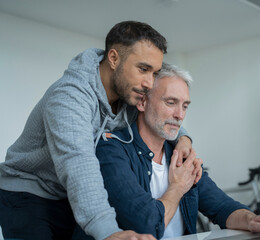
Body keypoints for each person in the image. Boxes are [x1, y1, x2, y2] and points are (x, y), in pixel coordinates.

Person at [0, 21, 202, 240]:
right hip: (28, 193)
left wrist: (183, 139)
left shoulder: (128, 96)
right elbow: (78, 164)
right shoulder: (69, 97)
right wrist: (109, 233)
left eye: (154, 73)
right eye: (143, 69)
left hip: (69, 195)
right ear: (114, 59)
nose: (148, 83)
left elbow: (159, 117)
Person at [73, 62, 260, 240]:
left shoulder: (180, 155)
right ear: (142, 102)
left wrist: (252, 220)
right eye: (171, 103)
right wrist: (177, 188)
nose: (180, 115)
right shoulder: (111, 151)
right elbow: (146, 225)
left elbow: (221, 206)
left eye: (185, 106)